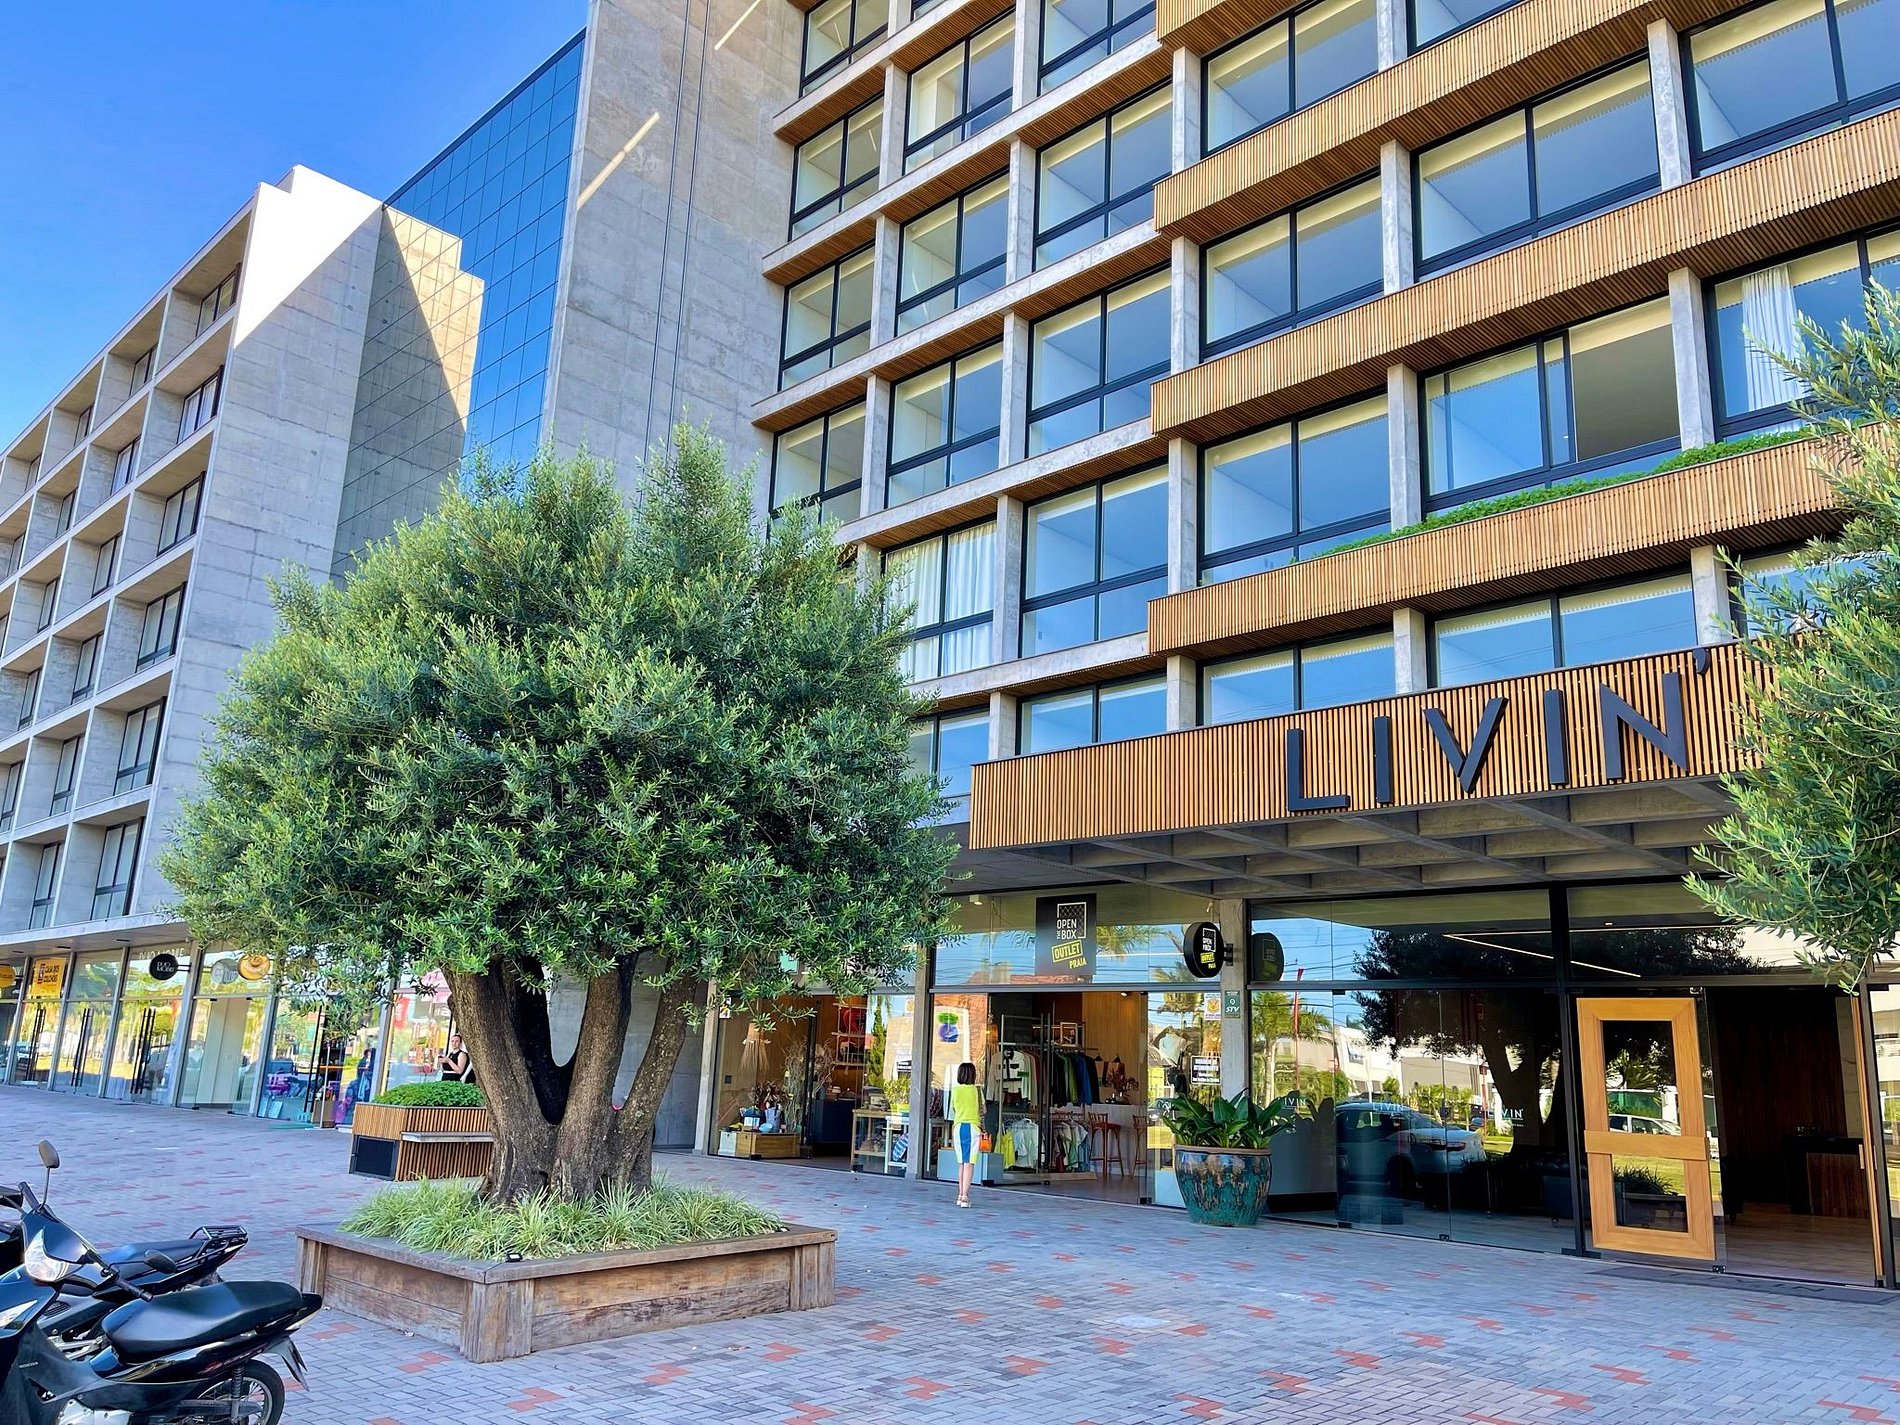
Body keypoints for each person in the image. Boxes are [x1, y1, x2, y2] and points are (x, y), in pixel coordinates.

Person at [948, 1061, 983, 1209]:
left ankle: (960, 1194)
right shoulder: (977, 1090)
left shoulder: (955, 1090)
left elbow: (953, 1109)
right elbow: (983, 1110)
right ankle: (965, 1196)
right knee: (969, 1163)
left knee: (962, 1163)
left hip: (958, 1127)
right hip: (972, 1127)